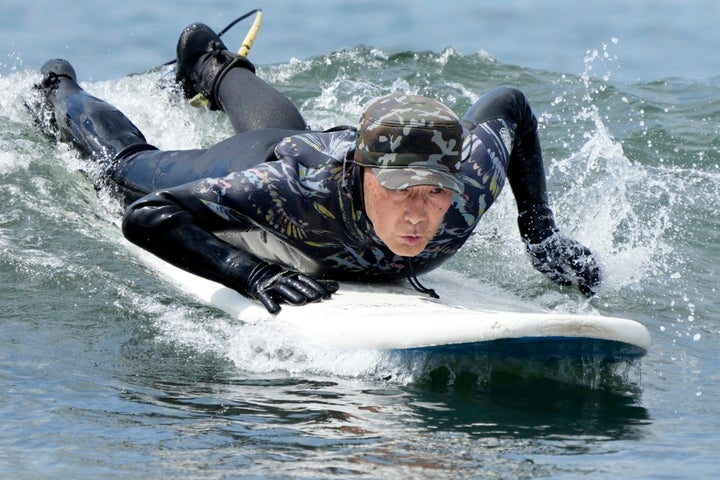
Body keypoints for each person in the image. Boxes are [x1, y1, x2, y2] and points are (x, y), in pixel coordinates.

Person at [30, 22, 601, 314]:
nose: (419, 213)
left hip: (309, 144)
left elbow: (511, 104)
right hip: (269, 161)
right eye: (400, 190)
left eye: (434, 192)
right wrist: (252, 275)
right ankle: (58, 87)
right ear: (364, 174)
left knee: (289, 131)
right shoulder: (289, 193)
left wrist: (540, 234)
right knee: (124, 169)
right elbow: (147, 217)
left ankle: (208, 63)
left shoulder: (471, 182)